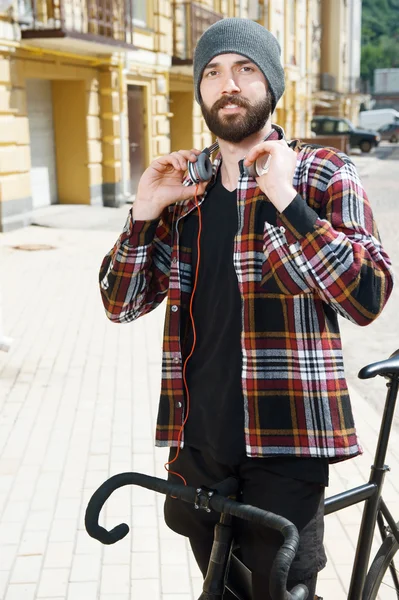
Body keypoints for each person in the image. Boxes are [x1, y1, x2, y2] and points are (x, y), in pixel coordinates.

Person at [99, 18, 393, 600]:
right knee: (219, 587)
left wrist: (286, 200)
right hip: (198, 439)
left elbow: (368, 296)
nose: (226, 83)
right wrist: (142, 211)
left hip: (288, 440)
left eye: (244, 68)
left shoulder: (323, 173)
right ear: (201, 91)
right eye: (211, 72)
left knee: (282, 589)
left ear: (271, 84)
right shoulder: (185, 192)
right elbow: (120, 303)